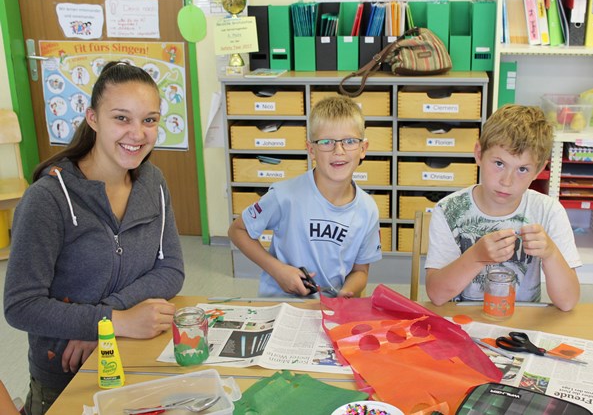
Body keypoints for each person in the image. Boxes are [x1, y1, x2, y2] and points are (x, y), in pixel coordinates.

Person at [3, 62, 185, 414]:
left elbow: (172, 270)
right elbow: (20, 306)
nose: (137, 133)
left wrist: (106, 322)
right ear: (93, 119)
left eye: (149, 120)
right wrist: (115, 322)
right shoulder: (47, 199)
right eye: (122, 118)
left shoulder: (152, 182)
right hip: (68, 378)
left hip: (135, 356)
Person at [425, 104, 581, 311]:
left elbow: (568, 302)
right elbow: (436, 295)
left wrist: (551, 254)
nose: (507, 181)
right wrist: (476, 256)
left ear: (539, 170)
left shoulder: (548, 211)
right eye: (499, 163)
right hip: (463, 321)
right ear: (479, 154)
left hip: (523, 326)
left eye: (522, 169)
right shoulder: (449, 210)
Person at [228, 96, 382, 298]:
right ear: (312, 150)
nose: (339, 151)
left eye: (350, 141)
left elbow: (360, 271)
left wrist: (345, 293)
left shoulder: (368, 209)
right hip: (280, 305)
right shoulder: (284, 196)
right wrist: (278, 270)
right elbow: (237, 231)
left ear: (363, 149)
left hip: (330, 309)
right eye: (326, 142)